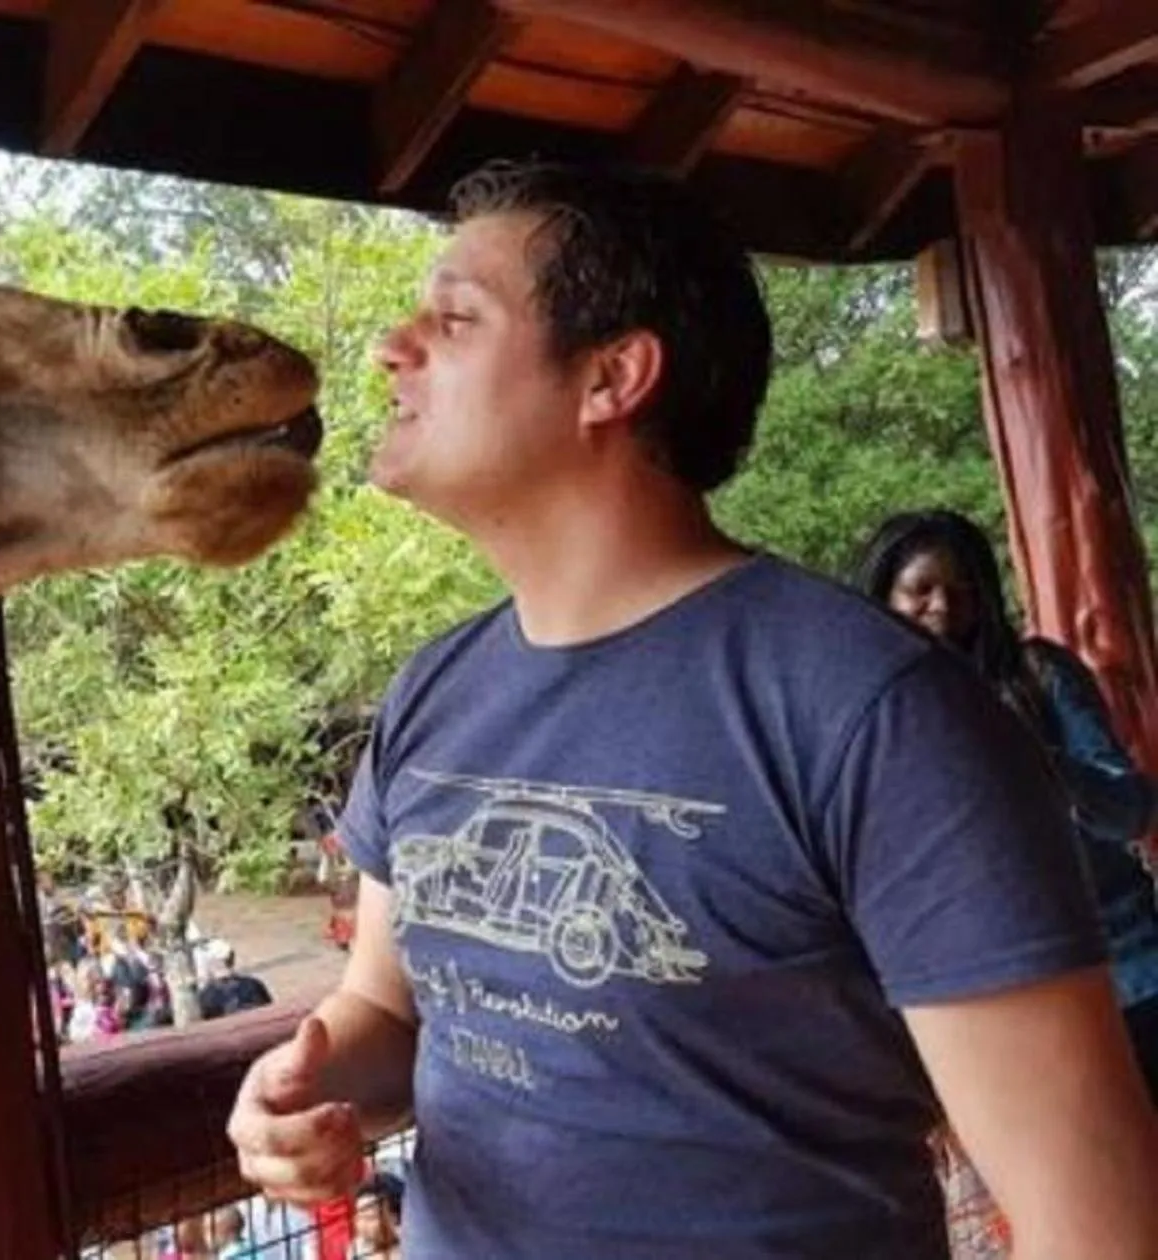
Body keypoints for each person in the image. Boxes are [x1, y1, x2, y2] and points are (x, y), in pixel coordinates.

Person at [223, 157, 1158, 1258]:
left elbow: (1089, 1213)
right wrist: (308, 1088)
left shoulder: (876, 712)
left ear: (612, 377)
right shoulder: (432, 689)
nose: (392, 344)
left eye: (455, 318)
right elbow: (389, 1011)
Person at [852, 508, 1158, 1092]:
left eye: (962, 591)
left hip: (1126, 972)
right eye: (921, 590)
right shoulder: (869, 718)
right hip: (996, 1002)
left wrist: (1031, 755)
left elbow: (1131, 810)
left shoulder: (1037, 674)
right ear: (883, 596)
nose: (943, 606)